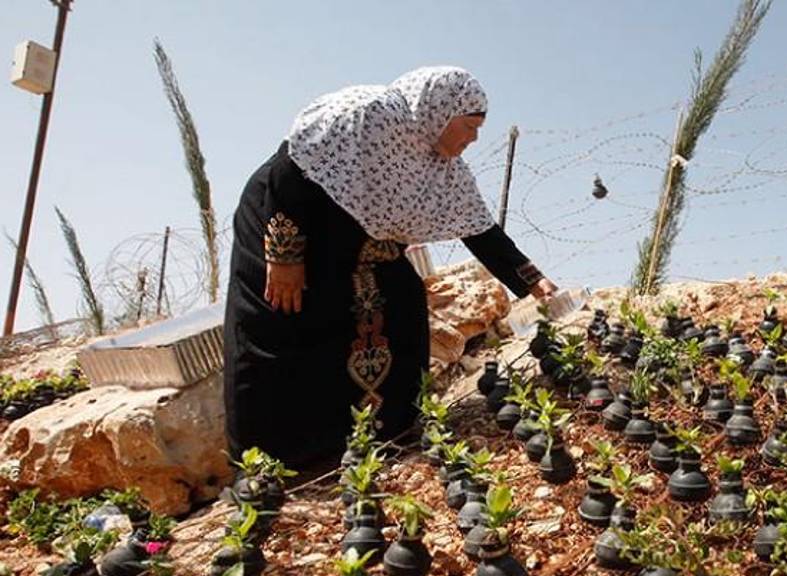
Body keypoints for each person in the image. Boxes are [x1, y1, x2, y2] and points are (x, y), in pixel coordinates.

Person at [223, 66, 556, 470]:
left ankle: (384, 429)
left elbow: (480, 230)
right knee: (285, 323)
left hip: (355, 247)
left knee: (401, 304)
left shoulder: (442, 167)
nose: (473, 139)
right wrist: (284, 254)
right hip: (285, 225)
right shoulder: (364, 115)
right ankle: (274, 461)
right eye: (469, 126)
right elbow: (289, 170)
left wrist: (533, 280)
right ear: (439, 111)